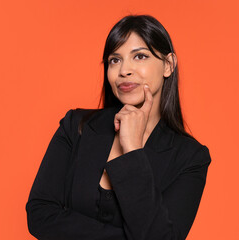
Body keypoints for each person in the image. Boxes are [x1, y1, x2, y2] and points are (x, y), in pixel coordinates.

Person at [26, 15, 212, 240]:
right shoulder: (76, 126)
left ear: (168, 65)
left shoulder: (190, 157)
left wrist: (133, 150)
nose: (124, 70)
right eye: (115, 60)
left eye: (140, 56)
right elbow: (39, 214)